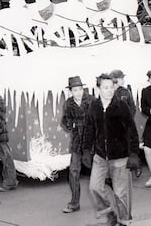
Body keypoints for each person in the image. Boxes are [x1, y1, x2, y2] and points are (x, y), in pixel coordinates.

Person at [82, 73, 140, 226]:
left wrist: (134, 154)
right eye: (105, 87)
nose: (109, 90)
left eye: (111, 87)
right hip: (100, 156)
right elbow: (89, 129)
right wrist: (86, 150)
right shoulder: (93, 106)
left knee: (121, 193)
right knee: (94, 187)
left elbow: (131, 130)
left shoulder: (121, 106)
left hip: (120, 157)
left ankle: (125, 221)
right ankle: (109, 213)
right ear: (98, 88)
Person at [60, 75, 93, 213]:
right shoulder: (68, 104)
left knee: (100, 172)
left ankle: (108, 200)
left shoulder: (91, 101)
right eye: (75, 90)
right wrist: (72, 125)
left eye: (80, 89)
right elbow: (65, 121)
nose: (78, 92)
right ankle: (74, 202)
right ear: (71, 91)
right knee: (73, 172)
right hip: (76, 142)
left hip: (92, 142)